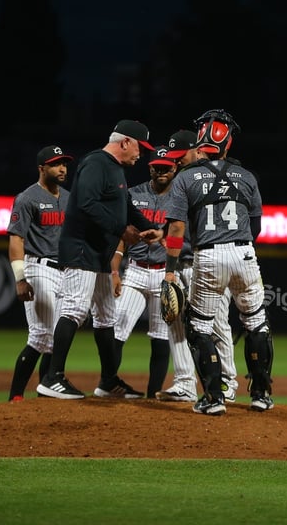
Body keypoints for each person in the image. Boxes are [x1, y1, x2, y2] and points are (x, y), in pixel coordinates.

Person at [36, 120, 163, 400]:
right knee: (74, 308)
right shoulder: (97, 162)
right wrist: (121, 230)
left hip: (99, 253)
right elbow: (86, 203)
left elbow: (124, 206)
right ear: (126, 142)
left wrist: (146, 227)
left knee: (107, 317)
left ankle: (108, 381)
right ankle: (52, 378)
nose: (142, 154)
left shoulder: (115, 168)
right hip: (82, 248)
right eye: (140, 147)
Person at [162, 110, 272, 415]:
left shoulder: (185, 177)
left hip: (208, 256)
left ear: (200, 141)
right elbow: (256, 226)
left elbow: (176, 230)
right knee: (257, 324)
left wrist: (170, 272)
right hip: (245, 252)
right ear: (228, 144)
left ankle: (213, 398)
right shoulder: (247, 177)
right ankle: (261, 395)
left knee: (200, 328)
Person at [155, 129, 238, 403]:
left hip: (209, 261)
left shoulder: (220, 177)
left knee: (217, 325)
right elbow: (177, 225)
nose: (176, 162)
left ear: (199, 149)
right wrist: (162, 236)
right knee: (175, 320)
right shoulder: (183, 180)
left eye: (181, 155)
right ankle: (185, 383)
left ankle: (227, 383)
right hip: (182, 262)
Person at [107, 146, 180, 399]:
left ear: (175, 168)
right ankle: (107, 384)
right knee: (117, 328)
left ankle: (153, 395)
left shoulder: (181, 198)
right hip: (136, 271)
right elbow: (120, 236)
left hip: (165, 273)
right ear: (150, 168)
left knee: (161, 336)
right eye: (157, 167)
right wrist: (115, 272)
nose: (161, 171)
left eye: (166, 167)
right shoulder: (132, 194)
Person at [6, 145, 73, 402]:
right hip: (38, 268)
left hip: (64, 271)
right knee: (41, 335)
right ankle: (16, 397)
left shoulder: (68, 198)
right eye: (56, 164)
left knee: (56, 339)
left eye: (64, 164)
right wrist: (20, 278)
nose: (62, 168)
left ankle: (46, 393)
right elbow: (16, 240)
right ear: (42, 168)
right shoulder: (27, 198)